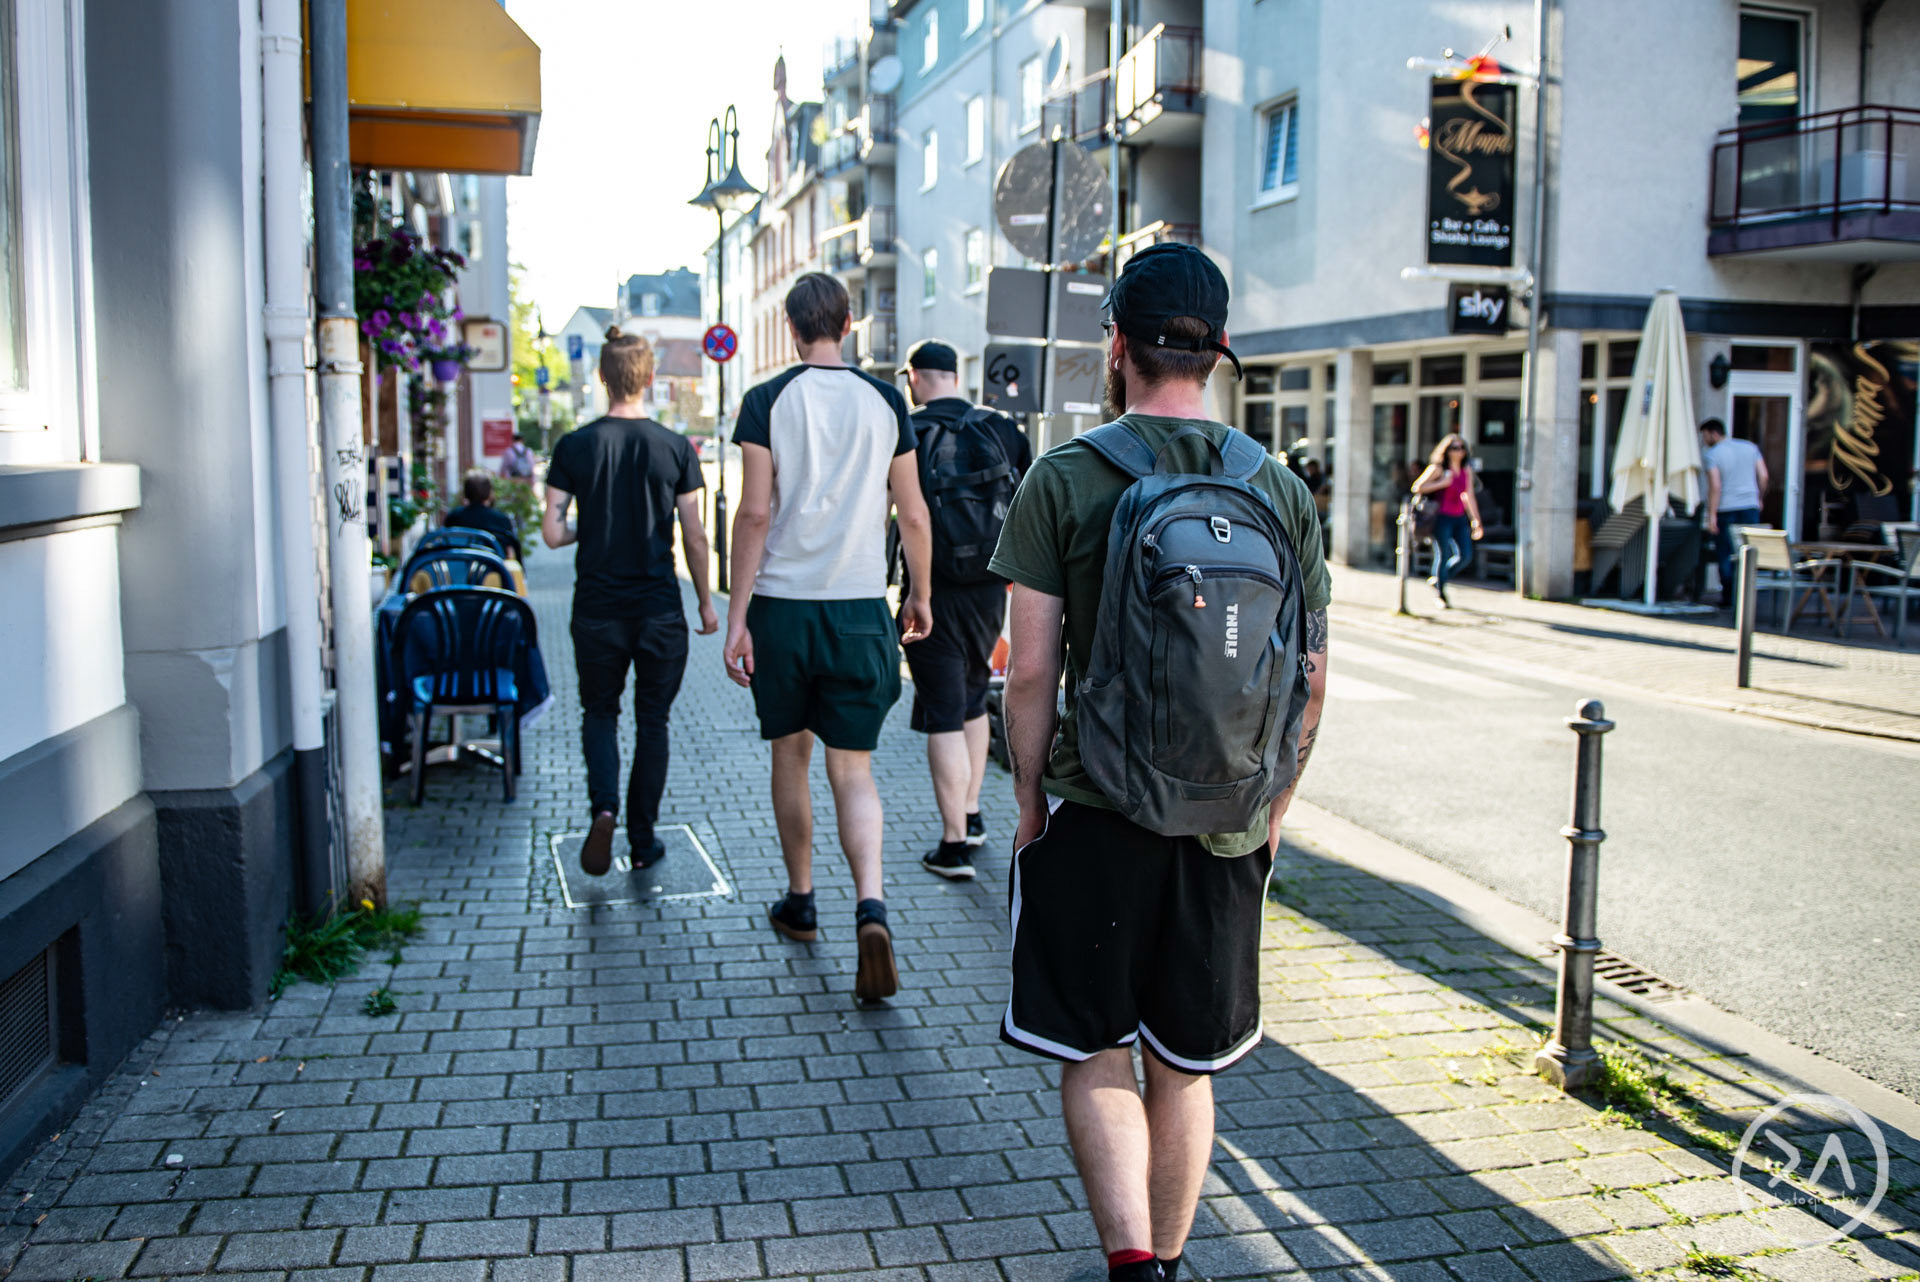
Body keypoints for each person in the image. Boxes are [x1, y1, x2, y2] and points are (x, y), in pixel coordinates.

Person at [989, 243, 1331, 1282]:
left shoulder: (1066, 477)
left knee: (1095, 1050)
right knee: (1185, 1066)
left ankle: (1130, 1265)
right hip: (1225, 816)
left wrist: (1030, 797)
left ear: (1119, 346)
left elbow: (1031, 673)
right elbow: (1312, 679)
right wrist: (1272, 810)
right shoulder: (1280, 487)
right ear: (1219, 352)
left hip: (1098, 809)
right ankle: (1174, 1265)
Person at [724, 273, 935, 1003]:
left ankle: (801, 901)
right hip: (857, 612)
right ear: (848, 323)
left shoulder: (766, 401)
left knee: (792, 755)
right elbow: (912, 514)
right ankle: (871, 907)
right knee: (856, 771)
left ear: (791, 328)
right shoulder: (886, 400)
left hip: (783, 608)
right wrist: (920, 593)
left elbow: (753, 514)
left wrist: (736, 614)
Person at [542, 327, 717, 877]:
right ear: (649, 378)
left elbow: (551, 533)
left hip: (596, 609)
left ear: (602, 376)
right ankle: (643, 841)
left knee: (599, 712)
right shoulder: (674, 448)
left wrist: (587, 531)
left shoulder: (573, 446)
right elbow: (694, 534)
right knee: (654, 722)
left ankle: (603, 809)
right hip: (660, 608)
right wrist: (707, 605)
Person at [898, 338, 1033, 881]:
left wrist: (917, 593)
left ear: (915, 377)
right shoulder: (1002, 429)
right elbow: (1027, 506)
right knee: (975, 696)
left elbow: (906, 517)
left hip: (930, 591)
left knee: (942, 712)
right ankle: (973, 813)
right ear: (954, 375)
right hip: (988, 590)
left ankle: (953, 845)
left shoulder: (909, 429)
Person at [1701, 418, 1768, 607]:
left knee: (1725, 553)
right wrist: (1759, 498)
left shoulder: (1713, 454)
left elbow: (1715, 485)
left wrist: (1712, 514)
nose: (1704, 441)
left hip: (1726, 508)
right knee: (1748, 552)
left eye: (1705, 436)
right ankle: (1746, 596)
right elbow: (1764, 476)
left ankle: (1729, 598)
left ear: (1714, 433)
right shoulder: (1750, 448)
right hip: (1750, 507)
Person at [1410, 433, 1483, 607]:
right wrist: (1441, 483)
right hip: (1441, 517)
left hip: (1458, 517)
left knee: (1465, 556)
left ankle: (1439, 579)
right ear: (1447, 450)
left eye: (1462, 448)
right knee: (1444, 554)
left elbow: (1469, 496)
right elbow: (1417, 487)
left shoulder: (1466, 470)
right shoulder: (1438, 469)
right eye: (1455, 448)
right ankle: (1441, 594)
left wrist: (1476, 520)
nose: (1459, 451)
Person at [443, 470, 522, 562]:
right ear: (489, 493)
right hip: (493, 571)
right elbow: (511, 553)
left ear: (466, 492)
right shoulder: (501, 519)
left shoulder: (453, 517)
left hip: (459, 571)